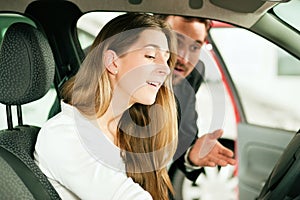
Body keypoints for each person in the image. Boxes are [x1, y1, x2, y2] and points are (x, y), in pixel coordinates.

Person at [34, 13, 179, 200]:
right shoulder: (64, 134)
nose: (166, 69)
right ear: (112, 62)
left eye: (166, 60)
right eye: (151, 55)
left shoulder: (127, 133)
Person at [156, 15, 236, 182]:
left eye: (194, 47)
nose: (183, 59)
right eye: (177, 42)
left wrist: (191, 154)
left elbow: (183, 134)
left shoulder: (191, 74)